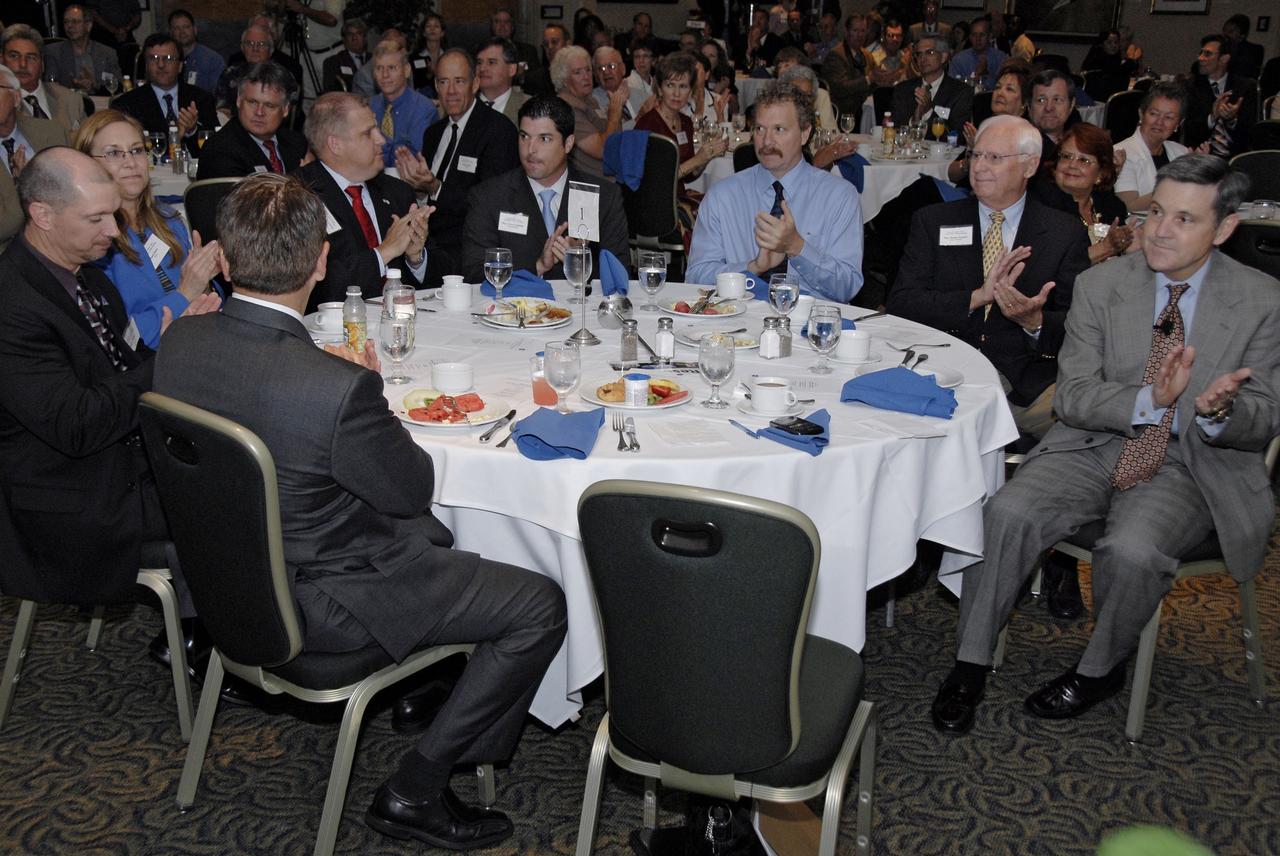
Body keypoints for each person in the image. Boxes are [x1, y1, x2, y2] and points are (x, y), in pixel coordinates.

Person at [152, 172, 567, 850]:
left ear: (223, 259)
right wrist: (366, 384)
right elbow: (412, 486)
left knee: (432, 539)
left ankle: (444, 693)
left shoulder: (179, 344)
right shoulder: (334, 387)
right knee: (537, 604)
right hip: (326, 606)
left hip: (224, 587)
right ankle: (418, 787)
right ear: (321, 260)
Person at [929, 155, 1279, 735]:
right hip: (1095, 443)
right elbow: (1076, 399)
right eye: (1156, 212)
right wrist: (1151, 401)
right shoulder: (1103, 284)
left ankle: (1099, 669)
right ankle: (970, 662)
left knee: (1133, 551)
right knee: (1008, 511)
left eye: (1185, 220)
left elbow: (1265, 416)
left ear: (1224, 230)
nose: (1160, 230)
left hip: (1192, 462)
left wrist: (1221, 411)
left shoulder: (1262, 301)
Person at [0, 147, 218, 610]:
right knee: (237, 504)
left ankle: (212, 628)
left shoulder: (86, 277)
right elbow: (78, 425)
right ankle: (224, 641)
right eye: (97, 218)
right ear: (42, 214)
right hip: (71, 496)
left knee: (256, 472)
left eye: (114, 215)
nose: (114, 232)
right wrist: (176, 354)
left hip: (120, 457)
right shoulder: (10, 305)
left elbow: (116, 368)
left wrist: (174, 336)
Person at [887, 115, 1090, 440]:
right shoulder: (934, 221)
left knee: (1086, 428)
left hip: (1026, 381)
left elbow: (1082, 327)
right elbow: (902, 303)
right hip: (941, 369)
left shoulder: (1062, 233)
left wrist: (1035, 322)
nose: (979, 167)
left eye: (994, 158)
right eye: (976, 155)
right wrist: (975, 298)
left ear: (1029, 166)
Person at [687, 81, 863, 303]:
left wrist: (797, 248)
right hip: (737, 325)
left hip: (811, 325)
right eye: (760, 129)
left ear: (805, 133)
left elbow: (847, 286)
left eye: (779, 129)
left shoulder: (839, 197)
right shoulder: (723, 196)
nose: (766, 141)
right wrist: (751, 268)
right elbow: (695, 277)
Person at [75, 109, 221, 349]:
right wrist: (184, 295)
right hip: (148, 368)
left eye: (136, 150)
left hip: (200, 340)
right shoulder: (94, 244)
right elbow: (124, 340)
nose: (130, 162)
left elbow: (212, 299)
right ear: (87, 164)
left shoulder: (168, 218)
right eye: (114, 153)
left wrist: (205, 281)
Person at [461, 94, 628, 283]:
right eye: (524, 136)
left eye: (544, 139)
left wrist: (580, 266)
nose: (530, 149)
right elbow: (474, 273)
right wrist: (538, 267)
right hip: (515, 310)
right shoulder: (489, 197)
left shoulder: (602, 196)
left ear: (568, 144)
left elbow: (620, 275)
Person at [393, 49, 519, 285]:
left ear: (475, 84)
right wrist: (419, 191)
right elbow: (428, 195)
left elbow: (492, 203)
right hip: (425, 246)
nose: (450, 91)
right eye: (443, 82)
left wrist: (435, 187)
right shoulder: (434, 133)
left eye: (459, 81)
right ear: (436, 86)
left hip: (469, 250)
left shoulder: (497, 130)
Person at [295, 92, 431, 307]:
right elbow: (314, 286)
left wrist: (416, 258)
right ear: (335, 144)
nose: (382, 139)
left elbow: (441, 281)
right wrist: (383, 253)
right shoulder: (298, 196)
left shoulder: (397, 191)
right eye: (369, 133)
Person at [634, 52, 728, 239]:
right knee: (711, 222)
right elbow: (659, 180)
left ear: (691, 91)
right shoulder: (648, 125)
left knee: (723, 210)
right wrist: (699, 158)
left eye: (683, 86)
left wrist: (707, 156)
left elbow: (689, 175)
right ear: (660, 89)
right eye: (670, 85)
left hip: (677, 199)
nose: (677, 94)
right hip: (655, 207)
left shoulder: (685, 122)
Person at [1031, 123, 1134, 267]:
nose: (1072, 165)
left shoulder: (1111, 206)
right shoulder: (1041, 205)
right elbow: (1053, 266)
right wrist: (1105, 248)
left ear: (1101, 173)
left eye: (1084, 160)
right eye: (1066, 156)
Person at [196, 62, 308, 180]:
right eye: (252, 102)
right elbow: (249, 198)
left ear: (285, 110)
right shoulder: (220, 150)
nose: (259, 112)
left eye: (269, 105)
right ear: (239, 101)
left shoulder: (297, 144)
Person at [0, 65, 67, 252]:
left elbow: (71, 191)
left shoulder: (52, 133)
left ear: (15, 98)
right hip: (8, 254)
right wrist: (24, 187)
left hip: (60, 243)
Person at [112, 32, 217, 150]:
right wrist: (174, 138)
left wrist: (192, 131)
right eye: (153, 58)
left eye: (168, 58)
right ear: (146, 65)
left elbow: (216, 147)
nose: (161, 65)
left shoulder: (201, 99)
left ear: (180, 66)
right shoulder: (127, 104)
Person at [1113, 82, 1193, 213]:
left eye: (1169, 117)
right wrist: (1178, 187)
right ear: (1141, 114)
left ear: (1179, 123)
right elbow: (1128, 206)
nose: (1159, 122)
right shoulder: (1121, 153)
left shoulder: (1181, 152)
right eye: (1154, 114)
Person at [949, 60, 1030, 184]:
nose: (1000, 93)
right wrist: (971, 158)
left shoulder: (1025, 137)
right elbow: (951, 174)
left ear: (1024, 103)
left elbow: (1005, 182)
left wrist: (981, 150)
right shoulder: (985, 126)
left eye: (1009, 89)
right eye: (997, 87)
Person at [551, 45, 623, 180]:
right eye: (578, 72)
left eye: (588, 70)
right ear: (564, 80)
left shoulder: (590, 100)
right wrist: (614, 115)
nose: (586, 77)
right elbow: (603, 150)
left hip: (610, 180)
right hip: (589, 186)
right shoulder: (567, 108)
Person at [2, 24, 87, 134]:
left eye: (31, 57)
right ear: (1, 61)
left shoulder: (71, 100)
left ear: (42, 64)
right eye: (14, 56)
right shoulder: (3, 106)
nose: (23, 64)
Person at [1184, 34, 1257, 159]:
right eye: (1200, 53)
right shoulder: (1191, 86)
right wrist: (1212, 117)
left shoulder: (1244, 87)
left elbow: (1251, 133)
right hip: (1200, 155)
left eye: (1207, 54)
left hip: (1235, 157)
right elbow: (1187, 130)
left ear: (1224, 58)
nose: (1200, 58)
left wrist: (1232, 120)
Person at [369, 40, 438, 167]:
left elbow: (411, 160)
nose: (385, 75)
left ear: (406, 70)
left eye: (392, 68)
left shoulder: (423, 109)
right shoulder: (370, 106)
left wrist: (377, 146)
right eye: (379, 68)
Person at [891, 34, 972, 134]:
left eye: (929, 53)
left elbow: (957, 136)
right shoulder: (903, 89)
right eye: (919, 54)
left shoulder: (960, 92)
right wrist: (914, 120)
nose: (923, 59)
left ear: (943, 57)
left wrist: (929, 110)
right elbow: (895, 128)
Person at [43, 5, 122, 95]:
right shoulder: (53, 51)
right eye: (66, 22)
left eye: (75, 22)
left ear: (88, 26)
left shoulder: (106, 53)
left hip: (101, 104)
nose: (69, 26)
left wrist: (95, 85)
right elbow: (50, 86)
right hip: (67, 103)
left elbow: (118, 86)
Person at [820, 13, 872, 119]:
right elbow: (841, 88)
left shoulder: (867, 55)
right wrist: (869, 79)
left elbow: (874, 81)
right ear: (847, 32)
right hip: (844, 113)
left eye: (863, 31)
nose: (860, 35)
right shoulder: (836, 55)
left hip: (864, 110)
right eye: (855, 31)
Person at [168, 9, 225, 96]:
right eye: (177, 28)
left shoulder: (213, 60)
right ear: (171, 33)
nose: (182, 32)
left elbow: (219, 96)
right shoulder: (166, 59)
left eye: (186, 27)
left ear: (195, 30)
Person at [1028, 69, 1076, 168]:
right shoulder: (1021, 150)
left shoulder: (1078, 146)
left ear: (1071, 105)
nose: (1049, 108)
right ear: (1029, 106)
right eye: (1041, 100)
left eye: (1057, 100)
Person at [476, 37, 528, 126]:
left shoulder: (528, 107)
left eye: (491, 62)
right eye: (479, 62)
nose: (482, 68)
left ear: (512, 69)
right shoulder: (463, 105)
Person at [949, 17, 1008, 92]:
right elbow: (952, 87)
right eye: (974, 35)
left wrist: (986, 74)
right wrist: (974, 79)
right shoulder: (959, 59)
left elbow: (1004, 87)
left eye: (982, 35)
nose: (978, 39)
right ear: (970, 37)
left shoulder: (1001, 58)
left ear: (990, 36)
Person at [591, 46, 643, 129]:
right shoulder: (592, 102)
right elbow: (608, 134)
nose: (606, 72)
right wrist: (639, 119)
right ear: (595, 76)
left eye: (611, 66)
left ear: (623, 69)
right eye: (601, 68)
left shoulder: (641, 95)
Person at [1080, 28, 1136, 102]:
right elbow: (1116, 71)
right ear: (1102, 44)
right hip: (1098, 100)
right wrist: (1131, 59)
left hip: (1113, 99)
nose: (1113, 46)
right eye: (1109, 43)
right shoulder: (1097, 58)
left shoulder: (1115, 58)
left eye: (1116, 42)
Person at [322, 19, 369, 94]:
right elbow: (331, 93)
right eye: (350, 34)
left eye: (359, 34)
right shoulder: (333, 63)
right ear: (344, 39)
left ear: (365, 38)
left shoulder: (375, 59)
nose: (354, 38)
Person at [488, 8, 539, 76]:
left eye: (507, 21)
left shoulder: (529, 51)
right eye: (497, 21)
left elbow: (537, 77)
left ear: (512, 27)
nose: (502, 25)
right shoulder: (482, 51)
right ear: (492, 26)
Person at [522, 23, 568, 98]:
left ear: (567, 44)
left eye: (554, 42)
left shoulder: (580, 74)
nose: (550, 47)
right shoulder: (533, 79)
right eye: (546, 44)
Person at [410, 14, 447, 98]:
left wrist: (436, 73)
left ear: (442, 33)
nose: (432, 29)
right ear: (423, 33)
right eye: (428, 26)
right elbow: (414, 83)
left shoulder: (448, 57)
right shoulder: (415, 57)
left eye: (436, 26)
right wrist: (429, 75)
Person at [869, 18, 911, 88]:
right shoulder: (873, 58)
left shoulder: (907, 58)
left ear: (902, 38)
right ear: (884, 37)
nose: (895, 39)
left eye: (898, 36)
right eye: (891, 35)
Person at [1222, 13, 1264, 82]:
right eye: (1224, 30)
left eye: (1231, 31)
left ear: (1242, 35)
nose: (1226, 34)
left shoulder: (1253, 50)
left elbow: (1247, 73)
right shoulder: (1220, 46)